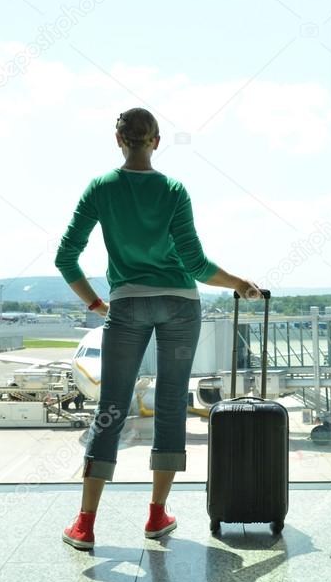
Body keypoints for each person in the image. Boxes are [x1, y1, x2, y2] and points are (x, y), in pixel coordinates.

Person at [54, 107, 260, 550]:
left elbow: (65, 258)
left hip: (127, 305)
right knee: (169, 405)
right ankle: (156, 515)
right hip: (181, 305)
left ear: (119, 141)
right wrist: (239, 283)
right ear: (157, 140)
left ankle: (86, 524)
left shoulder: (101, 188)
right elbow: (198, 265)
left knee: (110, 408)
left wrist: (94, 301)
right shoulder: (173, 190)